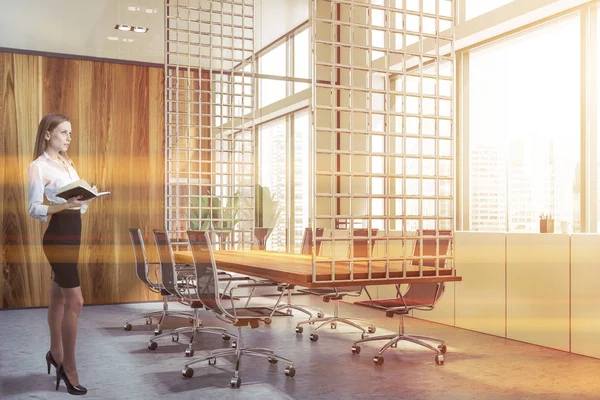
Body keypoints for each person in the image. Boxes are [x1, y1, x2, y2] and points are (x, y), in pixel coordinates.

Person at [27, 113, 97, 396]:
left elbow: (74, 206)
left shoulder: (67, 163)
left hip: (73, 232)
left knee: (58, 296)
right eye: (64, 132)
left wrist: (85, 198)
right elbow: (33, 208)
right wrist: (64, 205)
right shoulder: (38, 166)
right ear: (48, 134)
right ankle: (69, 368)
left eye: (70, 133)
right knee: (75, 300)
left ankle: (55, 353)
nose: (69, 138)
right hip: (57, 237)